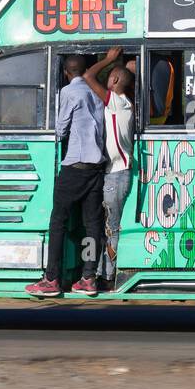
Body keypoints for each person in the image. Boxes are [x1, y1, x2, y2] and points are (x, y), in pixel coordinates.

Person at [26, 55, 107, 298]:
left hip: (74, 167)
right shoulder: (97, 93)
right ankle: (88, 277)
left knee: (58, 222)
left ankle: (51, 278)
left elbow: (61, 129)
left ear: (65, 73)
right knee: (92, 225)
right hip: (96, 168)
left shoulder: (70, 93)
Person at [81, 47, 136, 287]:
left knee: (111, 229)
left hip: (115, 177)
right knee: (108, 227)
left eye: (110, 75)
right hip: (116, 175)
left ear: (114, 80)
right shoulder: (124, 104)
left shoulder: (116, 102)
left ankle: (106, 276)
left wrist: (108, 59)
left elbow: (87, 77)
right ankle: (103, 272)